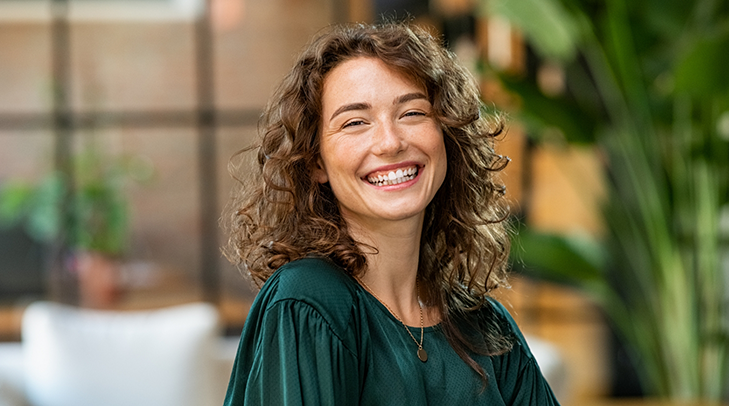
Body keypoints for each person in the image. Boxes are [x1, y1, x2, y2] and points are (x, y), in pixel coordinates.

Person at [222, 21, 560, 405]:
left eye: (412, 113)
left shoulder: (485, 326)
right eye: (355, 122)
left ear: (446, 135)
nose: (390, 142)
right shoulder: (308, 302)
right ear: (315, 161)